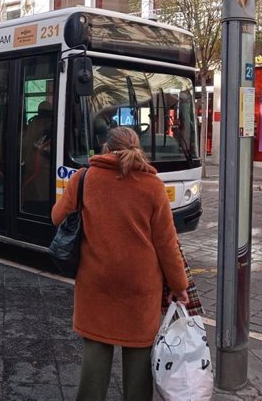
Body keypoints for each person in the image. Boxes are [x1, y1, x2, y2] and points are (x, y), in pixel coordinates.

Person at [51, 126, 188, 401]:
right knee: (139, 358)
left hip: (95, 282)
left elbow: (57, 217)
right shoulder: (153, 185)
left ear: (105, 147)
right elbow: (166, 243)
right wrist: (179, 285)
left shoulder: (85, 178)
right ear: (138, 148)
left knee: (96, 352)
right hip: (140, 288)